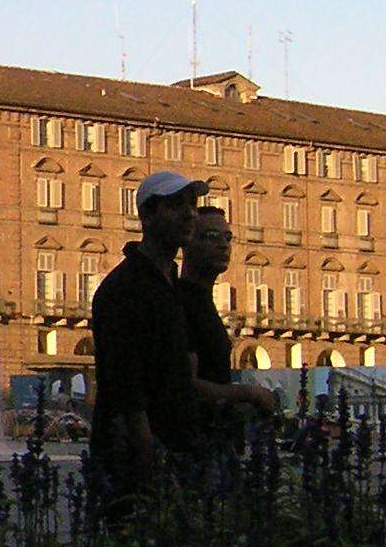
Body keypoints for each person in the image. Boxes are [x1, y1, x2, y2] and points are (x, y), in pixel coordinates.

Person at [90, 171, 205, 517]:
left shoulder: (169, 283)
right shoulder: (123, 289)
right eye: (176, 205)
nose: (189, 215)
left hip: (172, 446)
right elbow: (124, 382)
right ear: (147, 215)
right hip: (135, 460)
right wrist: (147, 458)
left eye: (192, 205)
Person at [172, 206, 280, 489]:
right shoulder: (183, 303)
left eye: (227, 237)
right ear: (187, 242)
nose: (223, 245)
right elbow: (187, 385)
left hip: (214, 447)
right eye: (210, 236)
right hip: (197, 451)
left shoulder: (203, 301)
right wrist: (247, 394)